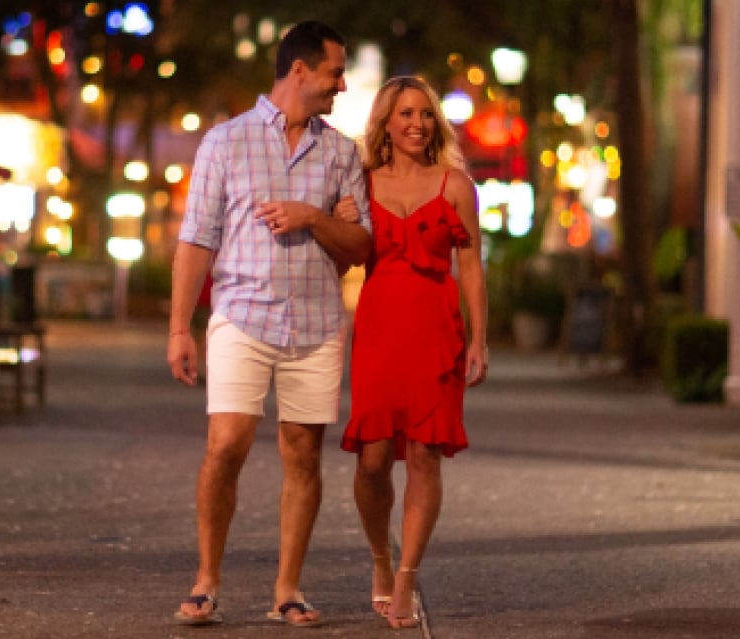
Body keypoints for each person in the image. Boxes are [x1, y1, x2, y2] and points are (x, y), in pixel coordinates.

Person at [166, 20, 372, 628]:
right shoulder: (224, 143)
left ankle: (288, 588)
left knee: (303, 454)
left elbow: (361, 244)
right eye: (335, 71)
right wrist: (180, 327)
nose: (340, 84)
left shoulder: (340, 151)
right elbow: (196, 240)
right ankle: (206, 579)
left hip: (315, 322)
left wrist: (313, 216)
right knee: (225, 445)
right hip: (241, 315)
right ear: (300, 69)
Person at [336, 75, 488, 629]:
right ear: (386, 123)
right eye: (404, 114)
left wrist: (479, 338)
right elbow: (341, 255)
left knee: (425, 454)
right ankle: (380, 557)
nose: (416, 124)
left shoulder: (455, 186)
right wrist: (338, 224)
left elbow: (470, 266)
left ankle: (407, 578)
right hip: (378, 330)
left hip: (435, 330)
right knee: (372, 459)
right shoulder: (361, 184)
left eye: (425, 114)